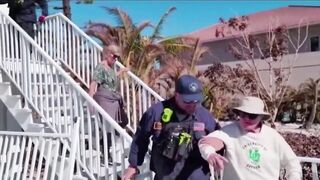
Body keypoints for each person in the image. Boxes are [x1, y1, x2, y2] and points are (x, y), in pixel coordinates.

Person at [122, 74, 220, 180]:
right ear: (177, 95)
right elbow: (140, 139)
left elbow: (219, 137)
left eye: (196, 101)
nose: (192, 105)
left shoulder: (204, 116)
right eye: (188, 101)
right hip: (166, 175)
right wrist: (133, 166)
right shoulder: (156, 112)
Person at [198, 96, 302, 180]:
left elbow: (292, 162)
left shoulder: (273, 136)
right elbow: (205, 143)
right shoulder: (228, 131)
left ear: (261, 117)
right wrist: (210, 154)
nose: (246, 118)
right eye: (243, 114)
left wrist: (294, 177)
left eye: (252, 115)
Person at [89, 44, 129, 127]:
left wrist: (122, 71)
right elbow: (93, 83)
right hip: (105, 100)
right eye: (115, 56)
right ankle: (106, 138)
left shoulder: (110, 68)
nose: (116, 59)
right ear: (108, 54)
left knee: (124, 121)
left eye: (117, 57)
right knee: (109, 125)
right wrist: (91, 102)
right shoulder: (101, 67)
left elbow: (111, 77)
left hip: (114, 99)